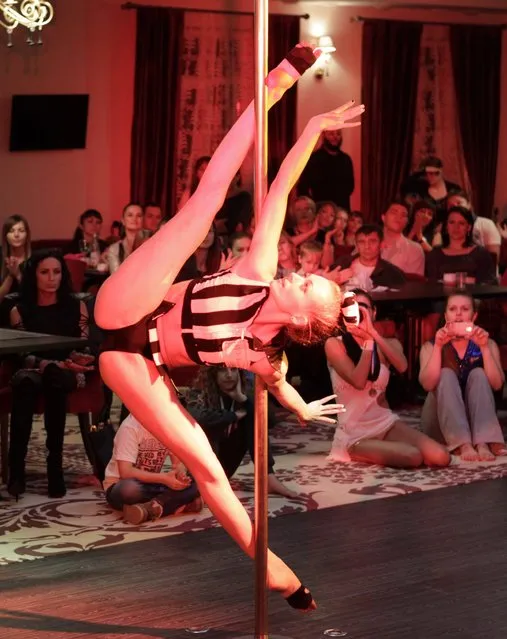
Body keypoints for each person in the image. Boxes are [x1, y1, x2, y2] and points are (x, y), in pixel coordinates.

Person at [95, 45, 364, 611]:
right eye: (309, 274)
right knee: (204, 204)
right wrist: (312, 121)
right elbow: (282, 187)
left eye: (308, 285)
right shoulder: (257, 272)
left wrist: (304, 409)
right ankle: (274, 86)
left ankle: (277, 573)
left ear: (300, 317)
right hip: (128, 310)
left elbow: (280, 383)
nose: (302, 272)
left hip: (135, 366)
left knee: (209, 469)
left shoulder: (269, 352)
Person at [325, 290, 450, 467]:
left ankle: (385, 448)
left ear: (374, 312)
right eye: (354, 307)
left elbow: (403, 366)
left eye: (363, 307)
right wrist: (367, 343)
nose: (359, 312)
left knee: (441, 457)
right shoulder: (335, 344)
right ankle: (352, 450)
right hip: (354, 432)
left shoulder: (387, 343)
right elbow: (358, 381)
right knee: (412, 456)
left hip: (384, 422)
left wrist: (373, 335)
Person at [7, 249, 92, 499]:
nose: (51, 278)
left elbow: (84, 347)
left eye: (56, 272)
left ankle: (54, 467)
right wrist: (45, 364)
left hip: (65, 371)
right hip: (31, 369)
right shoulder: (19, 309)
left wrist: (78, 359)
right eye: (44, 272)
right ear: (34, 275)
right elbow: (19, 353)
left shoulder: (77, 306)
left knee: (55, 380)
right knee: (25, 382)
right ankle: (17, 470)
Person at [185, 366, 298, 499]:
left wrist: (242, 399)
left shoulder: (244, 390)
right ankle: (202, 485)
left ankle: (268, 477)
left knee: (253, 415)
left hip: (227, 463)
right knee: (209, 424)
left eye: (233, 370)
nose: (229, 375)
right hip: (203, 462)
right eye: (222, 371)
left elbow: (271, 420)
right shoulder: (199, 391)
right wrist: (232, 416)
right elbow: (196, 417)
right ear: (213, 374)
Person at [419, 292, 506, 461]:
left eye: (465, 309)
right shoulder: (430, 346)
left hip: (477, 421)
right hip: (440, 421)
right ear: (446, 316)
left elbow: (497, 384)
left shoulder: (487, 343)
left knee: (478, 374)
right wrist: (438, 347)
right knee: (445, 374)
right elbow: (427, 385)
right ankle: (462, 443)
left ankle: (483, 442)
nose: (458, 314)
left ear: (474, 316)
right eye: (453, 309)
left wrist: (484, 348)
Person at [104, 413, 202, 525]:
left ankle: (149, 509)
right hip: (122, 485)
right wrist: (164, 479)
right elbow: (126, 472)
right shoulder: (130, 427)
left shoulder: (169, 425)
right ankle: (177, 504)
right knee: (129, 489)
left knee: (196, 481)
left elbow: (178, 464)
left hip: (153, 484)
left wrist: (181, 476)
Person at [425, 206, 497, 284]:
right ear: (446, 226)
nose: (456, 227)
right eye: (452, 222)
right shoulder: (435, 254)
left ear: (469, 227)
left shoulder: (481, 254)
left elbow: (488, 284)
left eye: (461, 223)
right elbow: (430, 285)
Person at [334, 224, 406, 290]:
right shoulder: (343, 263)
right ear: (356, 245)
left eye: (372, 241)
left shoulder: (393, 273)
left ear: (381, 244)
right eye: (362, 242)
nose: (367, 247)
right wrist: (334, 281)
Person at [298, 128, 355, 210]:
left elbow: (350, 187)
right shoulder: (314, 159)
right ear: (324, 135)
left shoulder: (346, 159)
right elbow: (303, 187)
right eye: (331, 134)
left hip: (342, 211)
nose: (335, 137)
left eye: (338, 134)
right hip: (320, 210)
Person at [445, 191, 501, 262]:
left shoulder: (486, 224)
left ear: (469, 205)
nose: (456, 207)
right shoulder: (445, 227)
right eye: (451, 206)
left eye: (459, 203)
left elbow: (493, 258)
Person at [380, 201, 425, 276]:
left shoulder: (414, 249)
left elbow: (414, 283)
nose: (398, 217)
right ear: (383, 217)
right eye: (394, 212)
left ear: (406, 222)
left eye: (403, 215)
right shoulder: (367, 242)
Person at [0, 214, 31, 305]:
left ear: (27, 234)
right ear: (6, 235)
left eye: (21, 231)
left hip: (28, 310)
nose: (16, 235)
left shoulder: (34, 259)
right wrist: (10, 275)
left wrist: (17, 275)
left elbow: (34, 296)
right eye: (11, 231)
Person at [106, 203, 145, 273]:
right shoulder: (114, 249)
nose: (134, 219)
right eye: (130, 215)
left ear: (143, 220)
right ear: (123, 220)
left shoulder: (150, 244)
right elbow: (116, 276)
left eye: (138, 215)